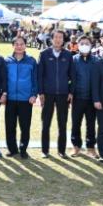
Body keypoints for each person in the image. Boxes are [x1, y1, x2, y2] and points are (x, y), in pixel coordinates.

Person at [37, 29, 73, 159]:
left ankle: (61, 151)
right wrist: (41, 92)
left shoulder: (68, 55)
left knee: (62, 123)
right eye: (56, 37)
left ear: (63, 40)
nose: (58, 39)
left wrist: (71, 92)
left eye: (60, 37)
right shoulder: (44, 54)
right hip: (47, 94)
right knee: (46, 123)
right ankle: (45, 150)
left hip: (63, 94)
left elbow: (72, 75)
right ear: (51, 39)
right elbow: (39, 75)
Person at [4, 37, 38, 159]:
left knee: (25, 126)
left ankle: (23, 149)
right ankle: (12, 149)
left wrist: (34, 94)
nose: (19, 46)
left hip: (26, 99)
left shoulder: (31, 61)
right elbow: (4, 79)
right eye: (16, 44)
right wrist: (4, 94)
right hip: (10, 99)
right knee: (10, 126)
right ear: (13, 45)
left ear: (25, 45)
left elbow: (35, 79)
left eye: (21, 44)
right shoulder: (7, 61)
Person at [69, 35, 99, 158]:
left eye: (87, 43)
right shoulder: (73, 60)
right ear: (78, 45)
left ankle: (91, 148)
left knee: (91, 124)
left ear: (91, 45)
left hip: (92, 98)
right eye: (82, 43)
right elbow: (69, 78)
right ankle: (76, 146)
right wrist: (70, 93)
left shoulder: (97, 61)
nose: (84, 45)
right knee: (76, 123)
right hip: (77, 98)